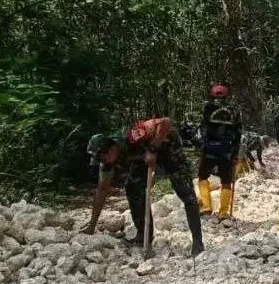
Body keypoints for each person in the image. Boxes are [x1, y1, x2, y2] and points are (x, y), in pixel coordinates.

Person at [84, 118, 205, 257]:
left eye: (102, 157)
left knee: (185, 192)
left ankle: (198, 241)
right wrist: (92, 225)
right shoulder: (107, 163)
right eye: (99, 160)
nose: (102, 162)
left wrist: (153, 149)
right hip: (143, 156)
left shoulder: (133, 135)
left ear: (111, 148)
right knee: (133, 188)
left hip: (168, 146)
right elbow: (102, 190)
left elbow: (165, 122)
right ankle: (143, 236)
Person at [197, 84, 242, 219]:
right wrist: (235, 153)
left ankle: (206, 207)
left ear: (212, 94)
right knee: (226, 180)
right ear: (226, 95)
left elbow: (203, 128)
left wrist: (202, 146)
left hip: (209, 149)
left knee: (203, 176)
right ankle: (223, 212)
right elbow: (238, 132)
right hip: (227, 150)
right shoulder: (234, 110)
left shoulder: (207, 107)